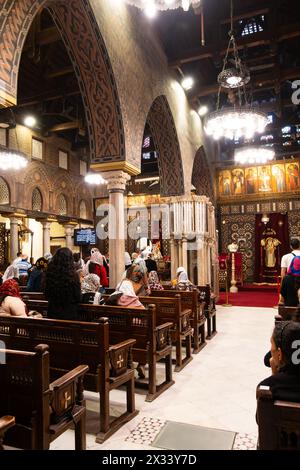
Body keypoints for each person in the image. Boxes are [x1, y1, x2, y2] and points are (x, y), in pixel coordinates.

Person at [258, 321, 300, 402]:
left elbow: (263, 414)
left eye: (271, 344)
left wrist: (274, 375)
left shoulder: (268, 388)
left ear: (280, 354)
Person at [44, 247, 81, 320]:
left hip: (52, 313)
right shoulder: (73, 275)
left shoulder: (50, 274)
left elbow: (46, 294)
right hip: (69, 314)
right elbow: (77, 297)